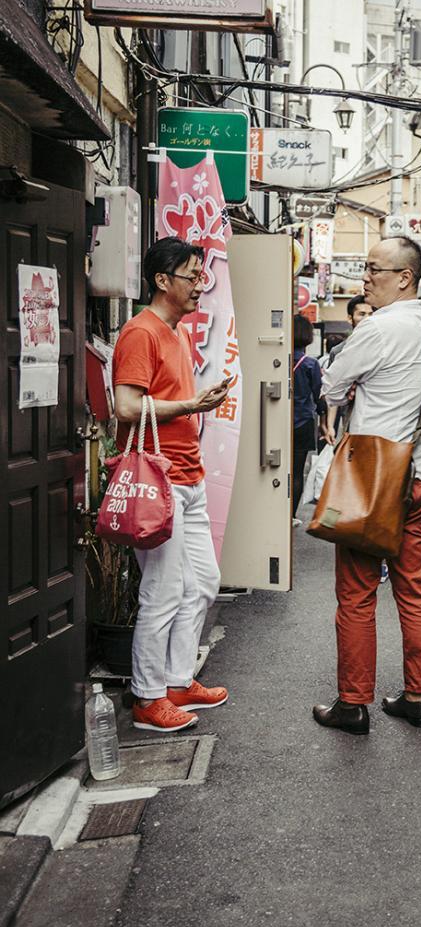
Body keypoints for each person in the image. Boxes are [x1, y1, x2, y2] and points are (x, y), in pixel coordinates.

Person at [313, 236, 421, 735]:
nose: (365, 277)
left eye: (374, 269)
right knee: (415, 589)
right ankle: (417, 697)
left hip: (373, 479)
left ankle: (352, 704)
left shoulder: (376, 329)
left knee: (356, 593)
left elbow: (330, 384)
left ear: (404, 278)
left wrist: (356, 390)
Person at [113, 238, 231, 734]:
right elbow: (124, 406)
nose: (201, 286)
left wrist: (197, 403)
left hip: (189, 476)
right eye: (192, 276)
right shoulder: (141, 332)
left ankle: (179, 680)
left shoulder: (175, 333)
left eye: (203, 276)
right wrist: (190, 407)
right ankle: (147, 696)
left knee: (202, 582)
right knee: (162, 591)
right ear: (163, 281)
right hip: (156, 481)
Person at [320, 294, 374, 445]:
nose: (367, 318)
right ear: (350, 318)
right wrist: (330, 426)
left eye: (371, 314)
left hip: (377, 419)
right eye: (362, 314)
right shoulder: (339, 352)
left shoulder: (383, 347)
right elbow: (332, 390)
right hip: (350, 420)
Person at [292, 314, 322, 520]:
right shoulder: (311, 364)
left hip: (279, 422)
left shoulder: (280, 360)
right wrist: (325, 422)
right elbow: (320, 395)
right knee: (297, 472)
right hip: (303, 422)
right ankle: (291, 515)